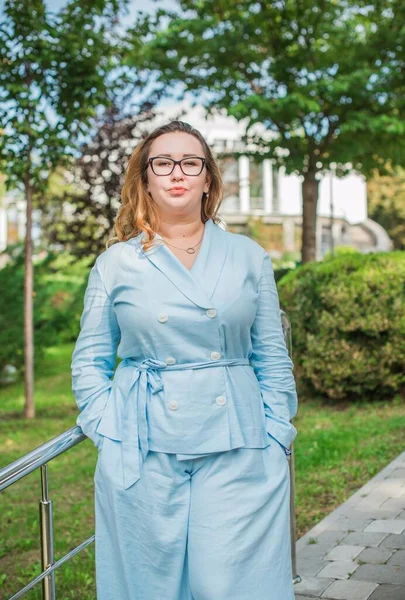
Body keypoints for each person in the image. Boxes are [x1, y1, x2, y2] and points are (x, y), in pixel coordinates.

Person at [71, 120, 298, 600]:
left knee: (233, 585)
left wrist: (277, 430)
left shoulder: (247, 256)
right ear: (146, 178)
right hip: (142, 444)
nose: (178, 173)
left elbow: (271, 357)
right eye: (164, 162)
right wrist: (107, 429)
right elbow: (89, 359)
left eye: (190, 162)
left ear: (208, 179)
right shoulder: (117, 263)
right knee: (150, 584)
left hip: (240, 445)